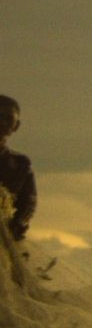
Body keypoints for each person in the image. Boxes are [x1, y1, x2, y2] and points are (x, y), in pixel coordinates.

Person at [0, 96, 35, 245]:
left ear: (16, 125)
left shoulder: (21, 165)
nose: (2, 122)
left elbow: (28, 202)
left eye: (8, 119)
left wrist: (19, 222)